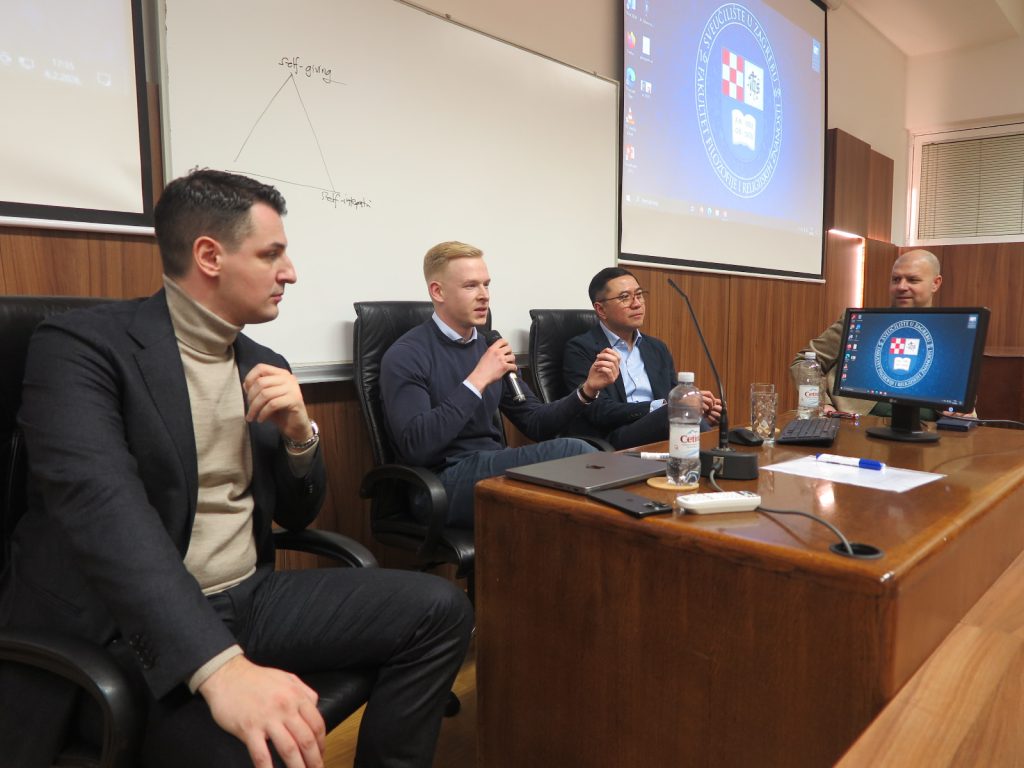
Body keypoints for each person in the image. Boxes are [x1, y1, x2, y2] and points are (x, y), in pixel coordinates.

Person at [0, 170, 473, 768]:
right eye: (272, 254)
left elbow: (297, 514)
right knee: (252, 749)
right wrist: (219, 667)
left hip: (250, 596)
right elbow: (104, 511)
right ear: (209, 256)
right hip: (121, 625)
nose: (290, 272)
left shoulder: (262, 361)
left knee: (440, 610)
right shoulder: (81, 347)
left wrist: (301, 436)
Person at [379, 241, 621, 529]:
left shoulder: (488, 346)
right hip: (440, 483)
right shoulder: (406, 354)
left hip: (491, 467)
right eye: (471, 286)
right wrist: (478, 380)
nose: (484, 295)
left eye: (486, 284)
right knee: (573, 452)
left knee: (586, 469)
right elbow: (416, 446)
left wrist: (587, 390)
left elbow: (536, 423)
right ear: (438, 291)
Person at [562, 267, 722, 450]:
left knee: (721, 426)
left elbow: (672, 396)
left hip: (658, 431)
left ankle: (717, 453)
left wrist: (695, 413)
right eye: (624, 297)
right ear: (601, 309)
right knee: (673, 413)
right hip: (614, 438)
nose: (637, 304)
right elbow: (597, 410)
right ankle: (716, 458)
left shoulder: (657, 348)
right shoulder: (581, 349)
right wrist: (667, 407)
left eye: (639, 295)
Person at [791, 248, 946, 417]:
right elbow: (804, 362)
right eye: (896, 279)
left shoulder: (951, 331)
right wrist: (821, 404)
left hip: (932, 426)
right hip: (858, 421)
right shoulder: (859, 322)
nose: (901, 287)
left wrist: (961, 411)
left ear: (935, 283)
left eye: (912, 280)